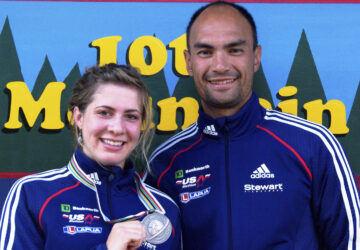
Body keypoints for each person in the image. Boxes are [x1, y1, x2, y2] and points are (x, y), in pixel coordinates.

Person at [144, 2, 360, 250]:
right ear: (188, 61)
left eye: (234, 50)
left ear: (255, 57)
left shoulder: (313, 144)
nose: (220, 65)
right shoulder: (164, 163)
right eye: (205, 52)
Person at [0, 64, 181, 250]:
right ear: (78, 117)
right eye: (104, 113)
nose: (117, 128)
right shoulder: (33, 194)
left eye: (131, 116)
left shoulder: (164, 210)